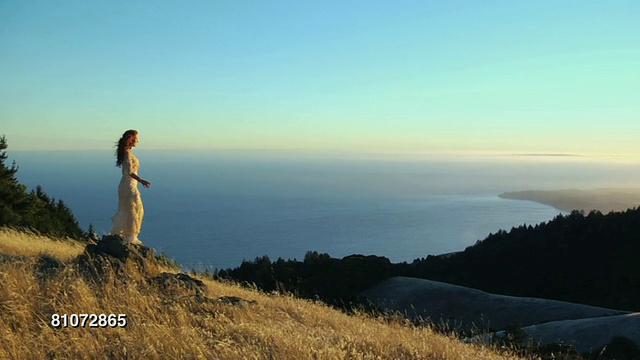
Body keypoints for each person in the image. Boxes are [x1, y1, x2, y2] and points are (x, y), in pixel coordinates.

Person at [109, 129, 151, 245]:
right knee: (135, 209)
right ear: (131, 139)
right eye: (136, 138)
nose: (138, 141)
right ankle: (131, 236)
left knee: (129, 209)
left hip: (127, 185)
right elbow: (128, 171)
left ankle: (128, 234)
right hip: (128, 185)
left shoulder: (128, 152)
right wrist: (141, 180)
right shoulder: (127, 153)